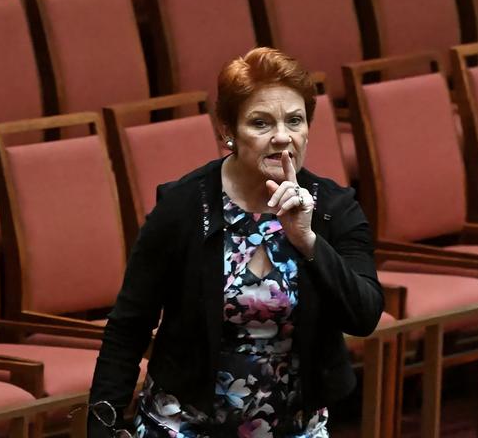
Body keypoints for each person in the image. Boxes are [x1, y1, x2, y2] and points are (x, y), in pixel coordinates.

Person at [88, 47, 384, 437]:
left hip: (294, 428)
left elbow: (363, 316)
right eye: (261, 123)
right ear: (228, 131)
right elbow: (130, 324)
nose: (282, 138)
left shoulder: (332, 208)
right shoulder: (183, 207)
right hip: (185, 426)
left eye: (294, 121)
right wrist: (103, 422)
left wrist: (308, 241)